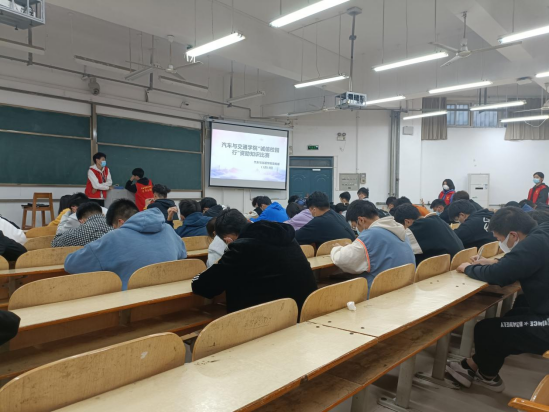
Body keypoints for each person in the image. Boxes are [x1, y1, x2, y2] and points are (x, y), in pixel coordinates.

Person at [448, 208, 549, 392]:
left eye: (500, 239)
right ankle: (472, 365)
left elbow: (500, 276)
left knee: (487, 330)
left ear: (513, 235)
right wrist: (493, 262)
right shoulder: (542, 233)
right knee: (514, 314)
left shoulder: (534, 243)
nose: (500, 243)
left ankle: (487, 376)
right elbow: (519, 263)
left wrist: (468, 269)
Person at [191, 209, 317, 314]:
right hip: (304, 309)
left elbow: (204, 286)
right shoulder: (286, 236)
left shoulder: (242, 247)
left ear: (227, 238)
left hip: (270, 318)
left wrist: (229, 249)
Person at [65, 200, 186, 290]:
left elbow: (71, 264)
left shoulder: (114, 237)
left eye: (113, 227)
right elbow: (183, 255)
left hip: (133, 308)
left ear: (120, 223)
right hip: (173, 300)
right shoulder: (168, 230)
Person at [330, 200, 415, 290]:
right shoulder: (399, 229)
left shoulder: (370, 235)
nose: (356, 229)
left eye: (355, 226)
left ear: (361, 220)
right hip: (405, 287)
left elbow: (343, 260)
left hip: (380, 291)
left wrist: (337, 248)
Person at [393, 203, 464, 264]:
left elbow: (399, 248)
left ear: (407, 222)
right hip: (457, 261)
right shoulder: (437, 219)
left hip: (445, 267)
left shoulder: (417, 227)